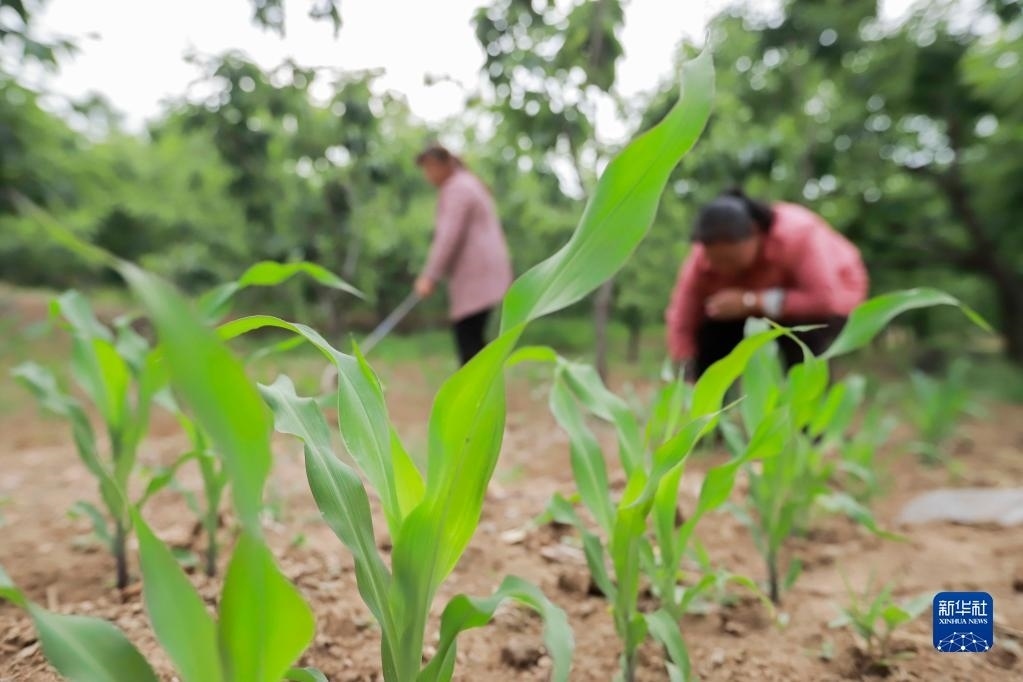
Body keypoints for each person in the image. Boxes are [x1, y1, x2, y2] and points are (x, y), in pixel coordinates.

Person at [665, 188, 869, 381]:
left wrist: (750, 301)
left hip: (823, 305)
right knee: (709, 333)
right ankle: (707, 403)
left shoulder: (797, 234)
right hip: (746, 311)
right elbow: (683, 314)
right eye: (715, 261)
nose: (721, 268)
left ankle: (808, 401)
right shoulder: (703, 256)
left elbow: (822, 301)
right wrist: (685, 367)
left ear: (754, 234)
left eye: (729, 260)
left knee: (804, 336)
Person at [413, 144, 513, 365]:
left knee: (469, 343)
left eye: (429, 168)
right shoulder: (468, 183)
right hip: (486, 275)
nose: (427, 175)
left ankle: (477, 388)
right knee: (473, 341)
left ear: (443, 165)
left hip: (477, 278)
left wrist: (430, 276)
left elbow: (448, 236)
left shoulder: (457, 189)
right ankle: (484, 386)